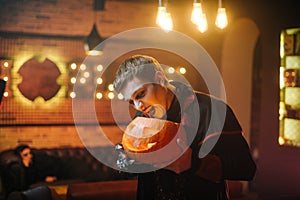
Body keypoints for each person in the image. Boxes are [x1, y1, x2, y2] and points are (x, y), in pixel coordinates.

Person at [113, 55, 256, 200]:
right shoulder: (141, 118)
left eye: (141, 94)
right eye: (131, 101)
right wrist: (128, 161)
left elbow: (246, 168)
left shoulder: (212, 110)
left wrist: (194, 163)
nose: (138, 106)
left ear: (159, 79)